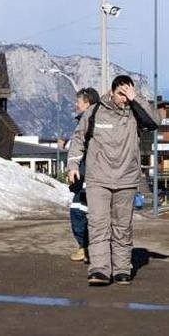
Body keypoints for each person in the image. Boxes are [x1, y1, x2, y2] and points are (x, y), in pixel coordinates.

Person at [68, 75, 159, 286]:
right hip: (98, 178)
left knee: (122, 226)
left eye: (128, 94)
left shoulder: (136, 112)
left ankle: (121, 269)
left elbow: (155, 122)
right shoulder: (95, 111)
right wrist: (73, 166)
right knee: (99, 224)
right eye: (121, 94)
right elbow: (78, 139)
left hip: (126, 179)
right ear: (111, 92)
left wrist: (137, 99)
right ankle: (99, 270)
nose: (125, 99)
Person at [69, 87, 100, 263]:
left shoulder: (94, 122)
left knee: (88, 214)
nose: (75, 104)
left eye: (78, 102)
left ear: (87, 103)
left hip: (93, 177)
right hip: (83, 177)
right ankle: (85, 247)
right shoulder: (82, 121)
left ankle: (91, 249)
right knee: (78, 211)